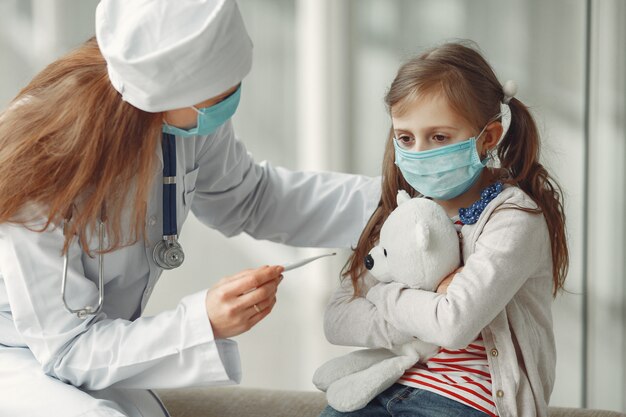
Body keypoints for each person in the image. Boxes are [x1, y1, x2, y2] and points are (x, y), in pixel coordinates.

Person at [0, 1, 379, 416]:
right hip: (20, 350)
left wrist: (392, 201)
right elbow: (67, 348)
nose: (232, 97)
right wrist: (202, 321)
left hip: (93, 349)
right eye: (221, 91)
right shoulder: (40, 158)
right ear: (170, 90)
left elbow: (252, 198)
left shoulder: (180, 118)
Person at [319, 41, 568, 417]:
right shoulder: (405, 211)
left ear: (487, 138)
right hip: (395, 384)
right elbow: (337, 319)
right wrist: (428, 303)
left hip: (471, 401)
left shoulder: (513, 218)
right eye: (405, 138)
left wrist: (384, 295)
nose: (418, 152)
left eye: (439, 137)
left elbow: (453, 325)